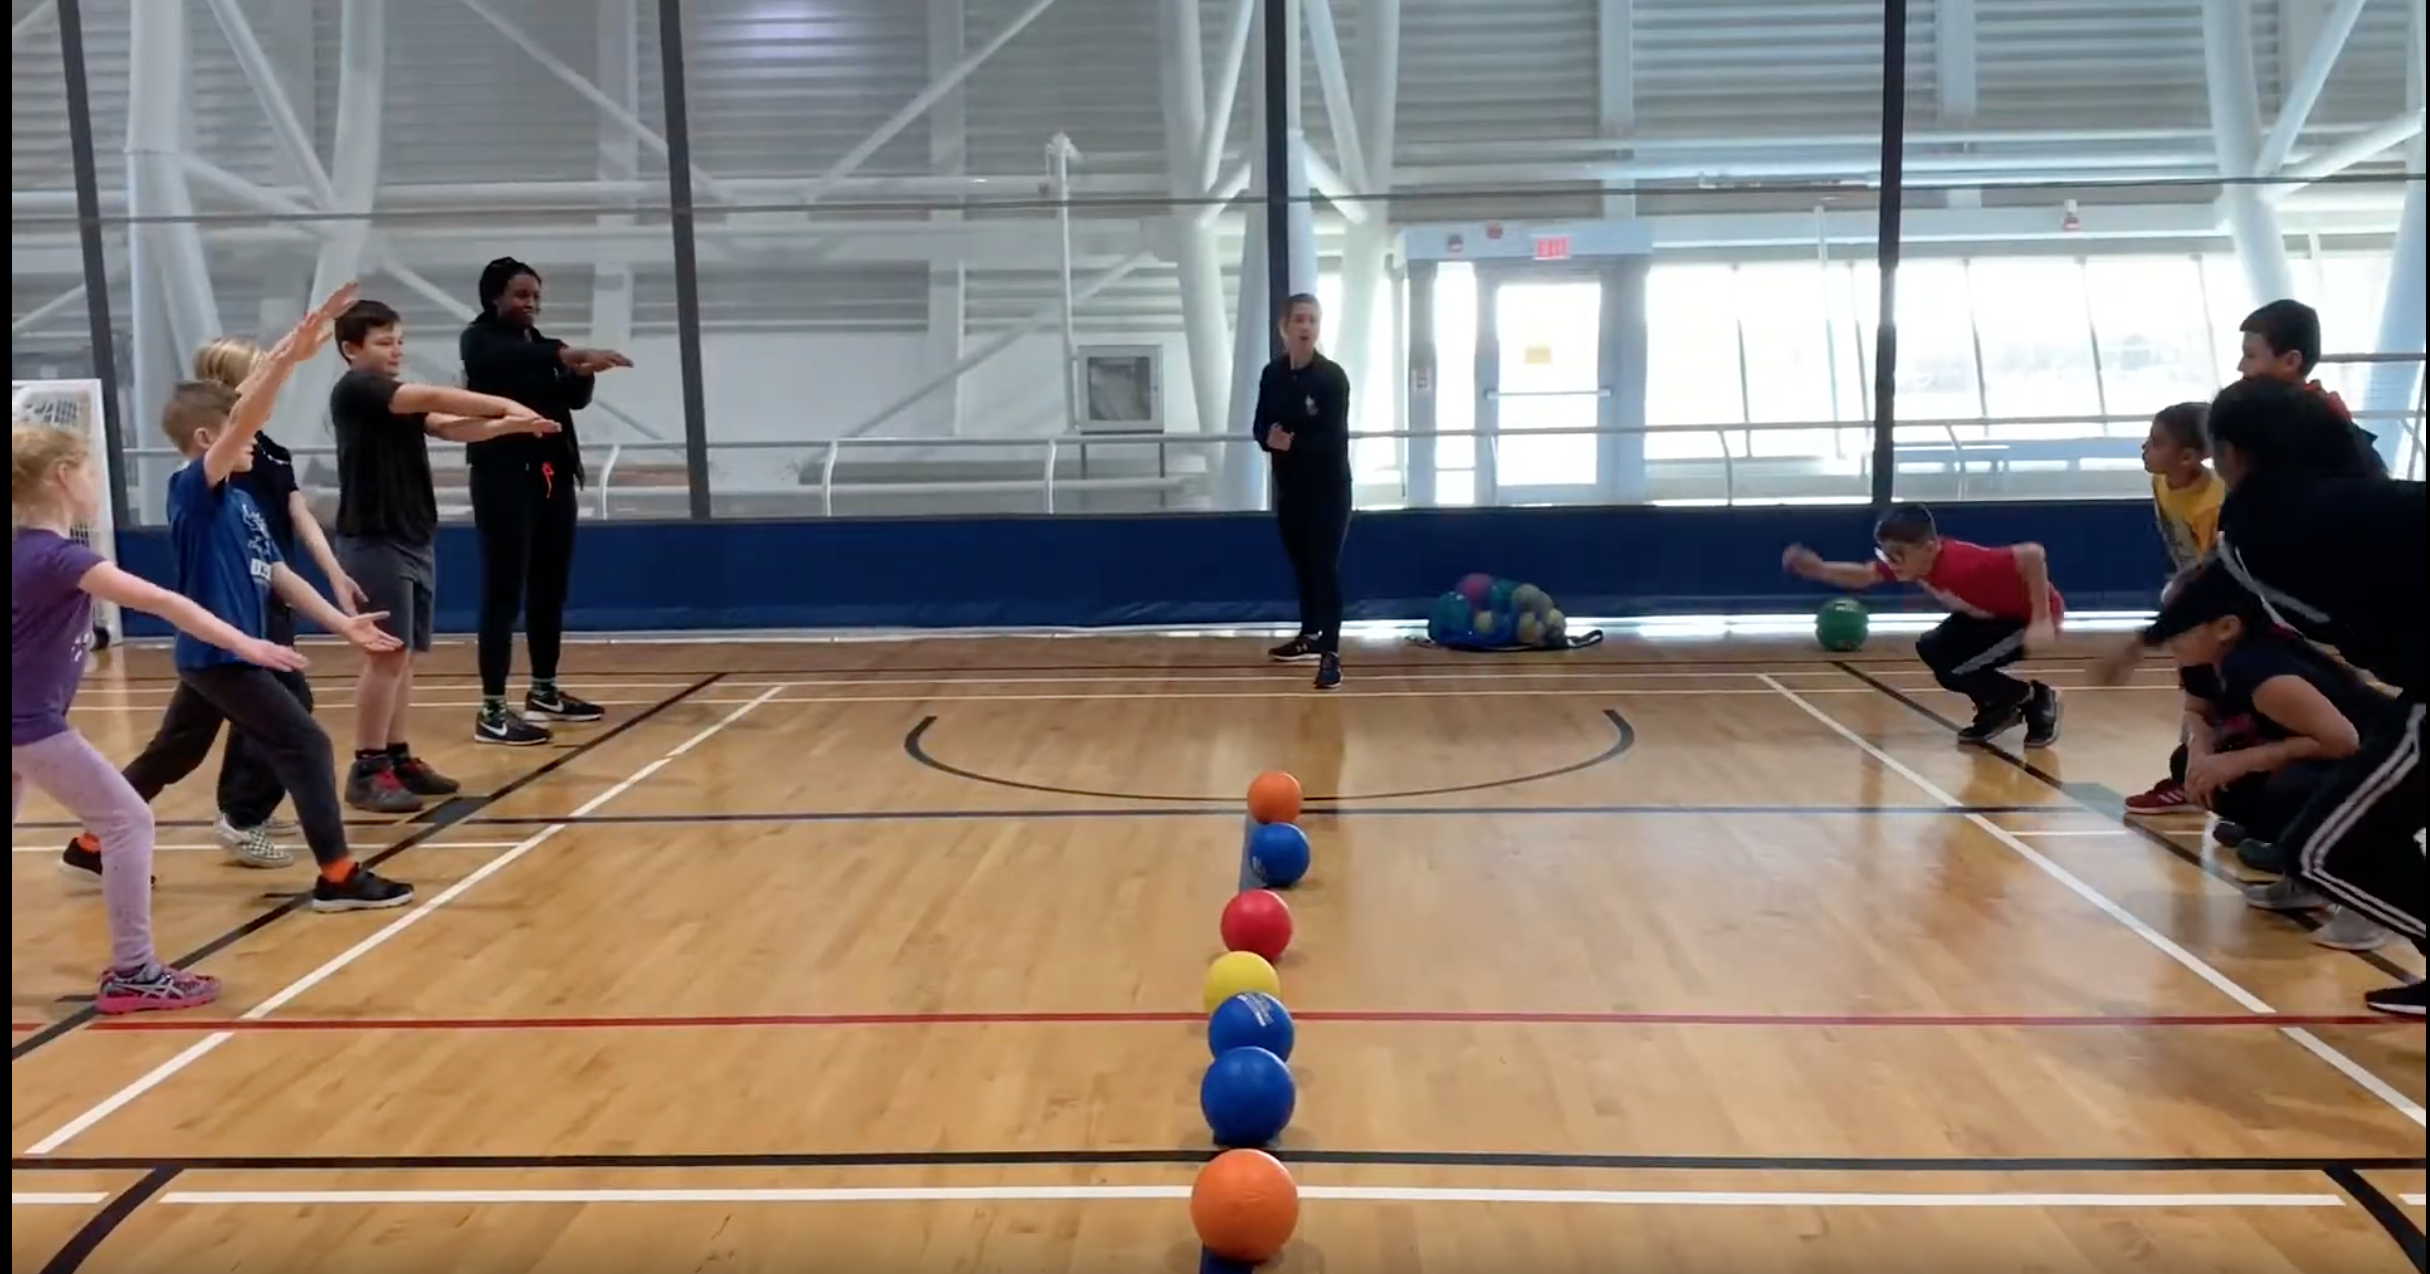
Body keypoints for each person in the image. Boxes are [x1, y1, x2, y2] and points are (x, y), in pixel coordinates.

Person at [59, 293, 418, 914]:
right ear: (208, 438)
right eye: (241, 431)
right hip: (220, 655)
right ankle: (337, 874)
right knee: (306, 743)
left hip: (214, 656)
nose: (254, 438)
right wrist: (289, 358)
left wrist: (343, 624)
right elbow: (248, 410)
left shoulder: (245, 504)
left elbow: (278, 574)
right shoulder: (192, 489)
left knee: (176, 751)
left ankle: (93, 842)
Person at [2102, 376, 2423, 1015]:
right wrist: (2145, 640)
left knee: (2326, 848)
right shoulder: (2269, 518)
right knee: (2330, 843)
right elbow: (2219, 575)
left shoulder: (2316, 512)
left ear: (2232, 452)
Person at [14, 424, 314, 1011]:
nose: (96, 481)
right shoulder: (61, 558)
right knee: (128, 821)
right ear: (61, 477)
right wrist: (248, 646)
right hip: (30, 725)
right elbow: (163, 601)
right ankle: (134, 970)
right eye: (90, 470)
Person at [329, 298, 555, 811]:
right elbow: (435, 395)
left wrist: (508, 427)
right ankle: (367, 767)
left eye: (400, 342)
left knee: (403, 657)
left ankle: (396, 754)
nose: (395, 352)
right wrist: (502, 403)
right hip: (375, 537)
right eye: (384, 343)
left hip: (412, 534)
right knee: (385, 655)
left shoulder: (398, 401)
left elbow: (448, 424)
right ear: (351, 349)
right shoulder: (360, 390)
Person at [188, 337, 366, 868]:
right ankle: (242, 816)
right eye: (261, 373)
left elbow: (298, 517)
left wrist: (336, 575)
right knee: (287, 710)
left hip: (273, 592)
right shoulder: (220, 458)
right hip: (238, 603)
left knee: (187, 737)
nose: (276, 382)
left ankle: (96, 843)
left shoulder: (270, 451)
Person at [459, 258, 629, 746]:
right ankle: (492, 708)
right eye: (521, 294)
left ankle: (544, 689)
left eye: (535, 296)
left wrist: (584, 372)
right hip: (504, 478)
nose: (531, 303)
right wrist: (567, 353)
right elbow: (508, 363)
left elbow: (569, 399)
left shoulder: (539, 346)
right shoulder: (481, 341)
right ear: (494, 297)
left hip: (552, 476)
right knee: (503, 590)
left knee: (549, 586)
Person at [2162, 593, 2392, 951]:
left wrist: (2240, 760)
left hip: (2392, 768)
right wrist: (2201, 754)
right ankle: (2305, 877)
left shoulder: (2262, 671)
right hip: (2341, 761)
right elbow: (2197, 711)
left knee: (2290, 786)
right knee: (2200, 771)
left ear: (2226, 628)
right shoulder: (2200, 661)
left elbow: (2344, 741)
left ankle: (2375, 901)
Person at [1784, 503, 2065, 747]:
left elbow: (2032, 554)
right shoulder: (1917, 563)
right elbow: (1866, 575)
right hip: (1986, 615)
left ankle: (2035, 698)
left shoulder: (1962, 565)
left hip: (2023, 619)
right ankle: (1999, 708)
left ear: (1929, 549)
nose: (1891, 563)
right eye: (1886, 554)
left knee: (1956, 671)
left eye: (1897, 554)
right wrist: (1820, 570)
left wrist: (2041, 619)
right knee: (1932, 648)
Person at [2123, 402, 2225, 817]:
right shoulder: (2164, 484)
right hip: (2200, 599)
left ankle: (2196, 781)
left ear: (2188, 457)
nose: (2144, 447)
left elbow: (2222, 572)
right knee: (2199, 696)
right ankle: (2194, 779)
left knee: (2211, 696)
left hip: (2230, 607)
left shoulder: (2213, 504)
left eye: (2156, 441)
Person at [1252, 294, 1353, 691]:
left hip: (1328, 489)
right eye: (1299, 319)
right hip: (1290, 488)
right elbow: (1260, 425)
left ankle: (1332, 653)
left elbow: (1332, 439)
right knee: (1302, 565)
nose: (1306, 326)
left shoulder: (1331, 378)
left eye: (1313, 319)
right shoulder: (1272, 374)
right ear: (1285, 327)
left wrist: (1291, 444)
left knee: (1325, 568)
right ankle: (1309, 634)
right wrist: (1267, 439)